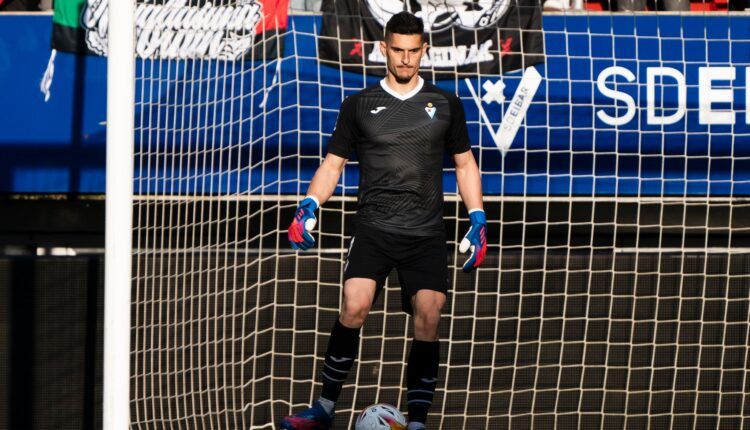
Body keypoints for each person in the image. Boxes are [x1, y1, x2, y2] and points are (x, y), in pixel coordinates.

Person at [280, 11, 486, 430]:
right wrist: (309, 204)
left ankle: (418, 422)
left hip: (426, 231)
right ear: (383, 49)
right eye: (398, 51)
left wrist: (478, 218)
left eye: (413, 52)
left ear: (424, 51)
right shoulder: (358, 105)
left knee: (430, 314)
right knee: (354, 306)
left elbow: (465, 166)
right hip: (373, 227)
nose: (406, 60)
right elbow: (332, 165)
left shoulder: (447, 104)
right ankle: (324, 407)